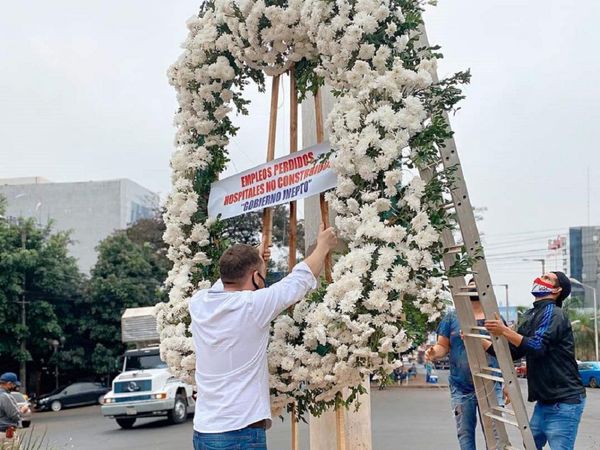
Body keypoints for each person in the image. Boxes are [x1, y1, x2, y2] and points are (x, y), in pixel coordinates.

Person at [190, 223, 337, 450]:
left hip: (204, 430)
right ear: (255, 276)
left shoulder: (199, 302)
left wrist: (253, 259)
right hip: (240, 432)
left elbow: (228, 280)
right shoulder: (252, 306)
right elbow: (298, 280)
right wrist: (322, 247)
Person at [484, 271, 586, 450]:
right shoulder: (532, 314)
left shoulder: (553, 313)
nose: (539, 279)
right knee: (530, 445)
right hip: (544, 402)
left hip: (564, 401)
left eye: (547, 278)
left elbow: (537, 346)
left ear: (557, 290)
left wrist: (505, 331)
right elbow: (515, 352)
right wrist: (479, 341)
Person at [425, 278, 504, 450]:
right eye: (470, 284)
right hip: (461, 387)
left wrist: (506, 385)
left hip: (491, 384)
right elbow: (443, 346)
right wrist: (433, 352)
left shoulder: (495, 317)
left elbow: (503, 351)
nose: (474, 287)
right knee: (465, 434)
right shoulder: (452, 317)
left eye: (478, 284)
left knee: (496, 434)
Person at [0, 372, 28, 449]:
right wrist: (22, 410)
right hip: (6, 434)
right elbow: (14, 416)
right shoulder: (5, 396)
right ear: (9, 384)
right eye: (14, 384)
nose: (15, 386)